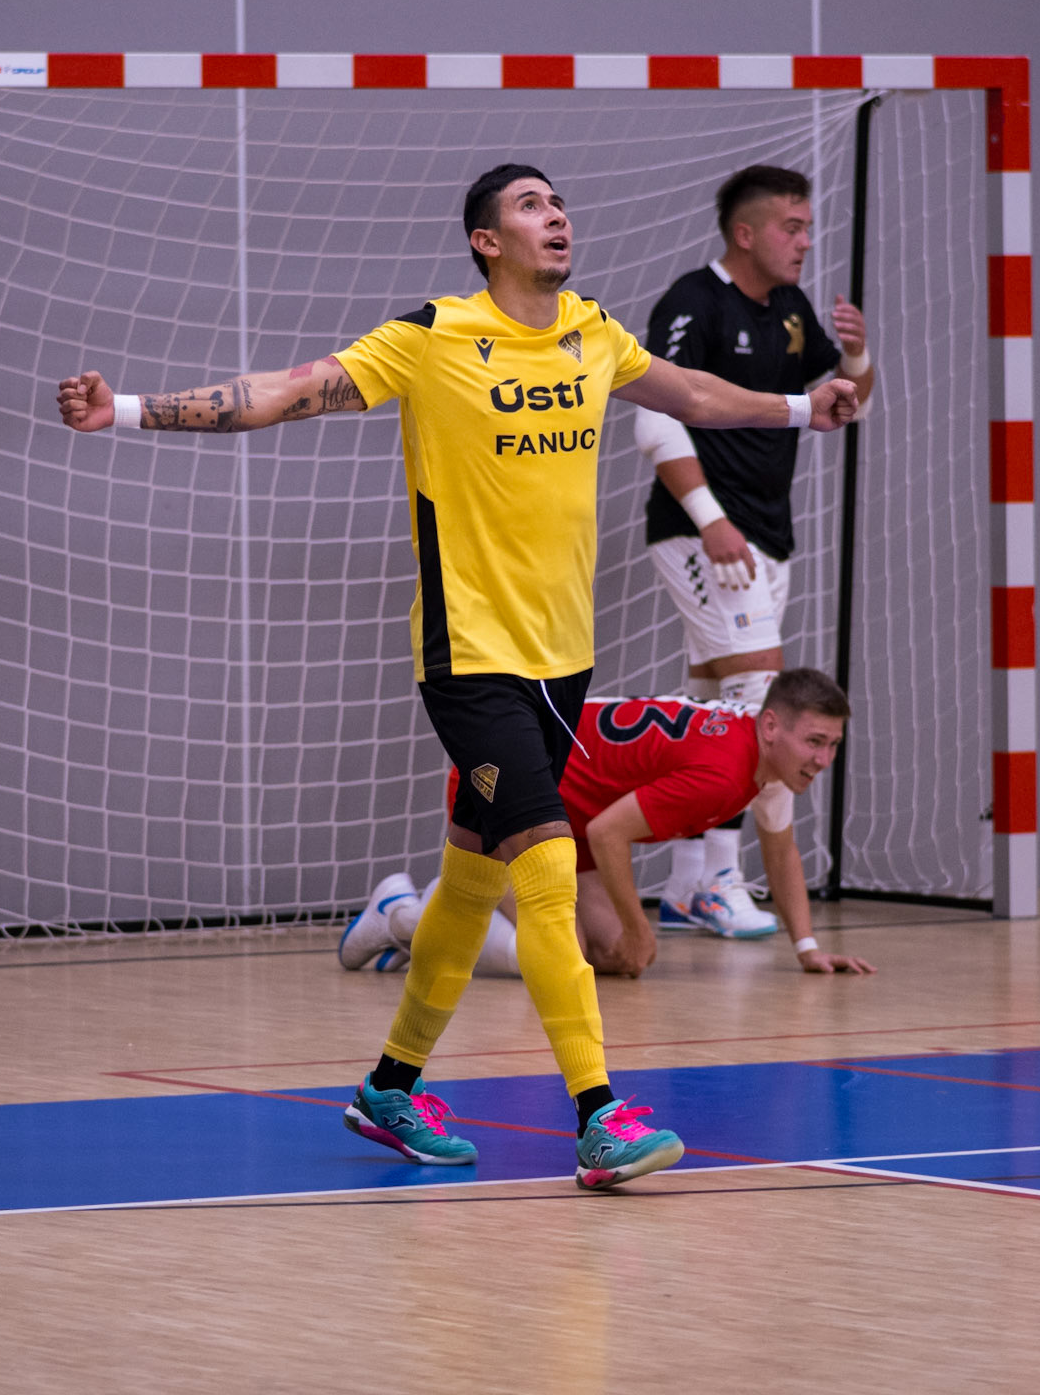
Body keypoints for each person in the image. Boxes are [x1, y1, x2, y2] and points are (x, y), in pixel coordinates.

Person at [58, 164, 858, 1192]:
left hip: (563, 661)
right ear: (486, 240)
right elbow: (285, 392)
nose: (555, 214)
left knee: (472, 877)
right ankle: (598, 1117)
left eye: (557, 202)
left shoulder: (591, 331)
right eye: (530, 205)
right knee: (545, 866)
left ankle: (390, 1087)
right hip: (470, 655)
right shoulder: (433, 335)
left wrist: (801, 406)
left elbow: (695, 393)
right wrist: (125, 409)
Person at [631, 165, 876, 939]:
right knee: (758, 696)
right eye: (790, 228)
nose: (804, 242)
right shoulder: (692, 302)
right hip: (703, 531)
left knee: (712, 699)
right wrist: (708, 518)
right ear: (745, 233)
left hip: (768, 533)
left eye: (807, 228)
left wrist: (856, 360)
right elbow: (654, 417)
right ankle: (721, 879)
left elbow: (841, 407)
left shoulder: (793, 310)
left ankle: (682, 885)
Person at [343, 670, 875, 981]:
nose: (823, 759)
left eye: (833, 744)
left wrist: (808, 949)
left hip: (567, 816)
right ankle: (403, 914)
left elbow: (781, 852)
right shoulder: (723, 773)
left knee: (615, 956)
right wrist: (642, 926)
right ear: (771, 725)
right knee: (564, 957)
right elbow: (609, 833)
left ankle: (435, 925)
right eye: (815, 742)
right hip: (505, 786)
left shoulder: (769, 761)